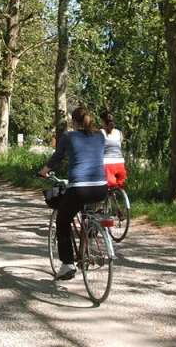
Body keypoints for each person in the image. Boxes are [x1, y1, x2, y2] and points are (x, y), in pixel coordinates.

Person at [38, 107, 108, 280]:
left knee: (63, 220)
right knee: (87, 214)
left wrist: (43, 172)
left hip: (79, 188)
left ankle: (68, 264)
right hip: (101, 187)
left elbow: (56, 158)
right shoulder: (101, 135)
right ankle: (89, 245)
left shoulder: (69, 137)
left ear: (73, 121)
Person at [99, 110, 127, 187]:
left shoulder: (100, 132)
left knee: (108, 188)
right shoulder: (119, 133)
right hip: (120, 164)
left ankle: (110, 198)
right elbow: (118, 144)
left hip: (107, 164)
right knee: (118, 187)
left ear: (103, 121)